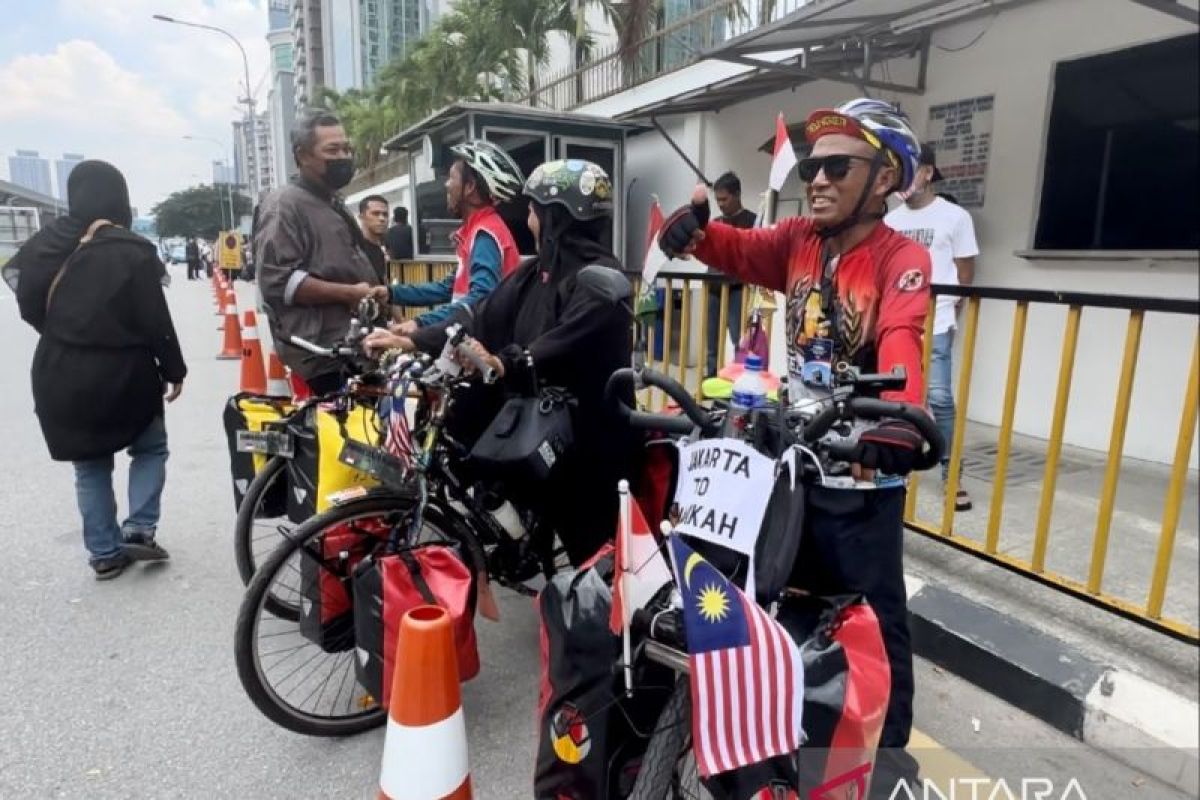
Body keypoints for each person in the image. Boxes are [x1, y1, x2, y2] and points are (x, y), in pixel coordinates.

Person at [659, 98, 932, 796]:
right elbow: (733, 248)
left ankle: (888, 755)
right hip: (791, 462)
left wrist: (899, 415)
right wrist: (694, 230)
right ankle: (786, 725)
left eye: (837, 166)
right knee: (774, 600)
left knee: (875, 619)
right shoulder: (797, 242)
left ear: (885, 179)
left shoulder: (901, 258)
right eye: (812, 165)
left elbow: (902, 336)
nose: (817, 178)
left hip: (864, 474)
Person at [364, 159, 635, 566]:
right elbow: (478, 315)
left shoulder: (601, 279)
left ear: (555, 217)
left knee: (592, 572)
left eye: (533, 210)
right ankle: (518, 539)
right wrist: (414, 338)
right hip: (539, 417)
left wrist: (511, 361)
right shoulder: (534, 274)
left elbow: (565, 341)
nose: (528, 219)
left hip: (587, 438)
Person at [8, 161, 185, 580]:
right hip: (127, 371)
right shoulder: (132, 249)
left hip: (61, 370)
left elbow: (28, 303)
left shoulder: (42, 246)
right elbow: (154, 319)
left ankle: (104, 553)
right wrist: (174, 368)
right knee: (150, 447)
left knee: (89, 465)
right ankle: (140, 528)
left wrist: (64, 331)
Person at [255, 109, 390, 394]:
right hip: (322, 356)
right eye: (332, 150)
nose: (343, 157)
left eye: (346, 148)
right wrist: (349, 293)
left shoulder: (332, 201)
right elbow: (278, 281)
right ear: (303, 155)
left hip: (356, 350)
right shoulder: (284, 206)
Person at [886, 144, 978, 512]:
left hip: (936, 322)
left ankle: (950, 475)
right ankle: (895, 470)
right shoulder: (890, 221)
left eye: (912, 170)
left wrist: (947, 309)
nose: (905, 179)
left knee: (939, 399)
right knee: (898, 398)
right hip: (896, 323)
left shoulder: (955, 217)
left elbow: (966, 272)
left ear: (928, 172)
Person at [388, 141, 522, 335]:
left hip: (485, 346)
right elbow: (446, 288)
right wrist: (392, 293)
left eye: (451, 178)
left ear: (469, 187)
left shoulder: (484, 235)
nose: (446, 184)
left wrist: (419, 323)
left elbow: (480, 299)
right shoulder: (475, 231)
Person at [705, 171, 758, 375]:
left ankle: (739, 379)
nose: (720, 204)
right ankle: (710, 377)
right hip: (713, 287)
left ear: (737, 195)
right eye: (717, 200)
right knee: (711, 339)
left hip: (738, 288)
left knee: (739, 338)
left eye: (724, 199)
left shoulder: (753, 221)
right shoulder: (715, 223)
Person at [357, 194, 390, 283]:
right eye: (375, 213)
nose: (382, 218)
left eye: (385, 214)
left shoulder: (379, 250)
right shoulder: (355, 249)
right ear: (361, 217)